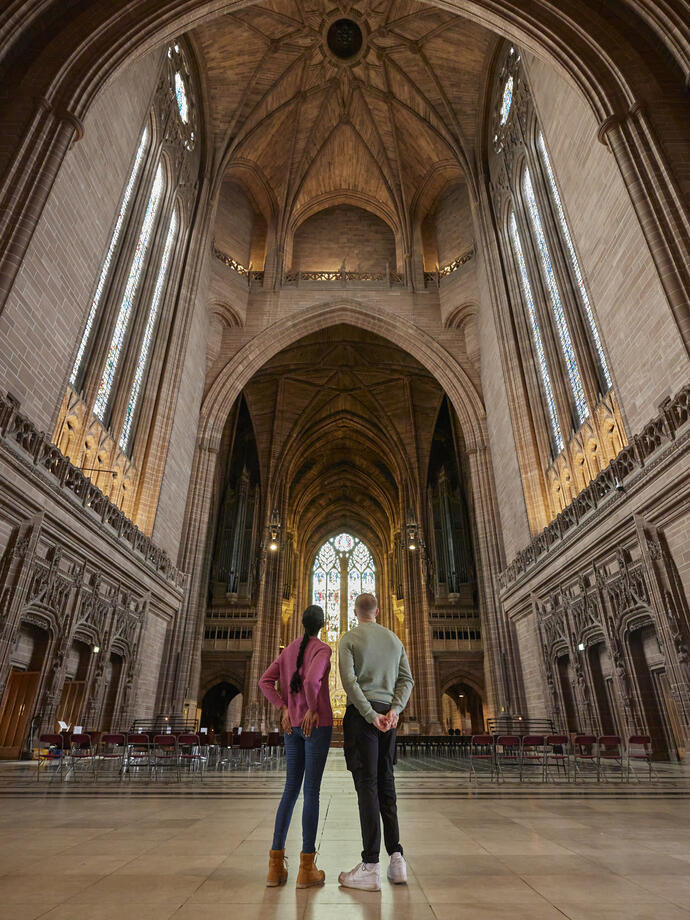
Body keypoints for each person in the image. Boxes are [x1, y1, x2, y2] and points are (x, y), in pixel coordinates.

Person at [337, 592, 414, 891]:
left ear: (356, 611)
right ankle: (397, 859)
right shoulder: (394, 640)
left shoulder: (349, 638)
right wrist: (394, 710)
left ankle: (370, 865)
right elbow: (407, 679)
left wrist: (370, 715)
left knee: (367, 785)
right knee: (387, 782)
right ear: (378, 612)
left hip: (363, 717)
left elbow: (349, 681)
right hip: (389, 718)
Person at [258, 604, 332, 888]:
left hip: (292, 728)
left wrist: (284, 707)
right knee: (311, 791)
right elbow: (312, 680)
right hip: (316, 726)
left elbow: (264, 682)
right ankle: (306, 868)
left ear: (302, 623)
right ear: (322, 624)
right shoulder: (322, 649)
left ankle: (275, 868)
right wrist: (313, 708)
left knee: (290, 790)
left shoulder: (288, 649)